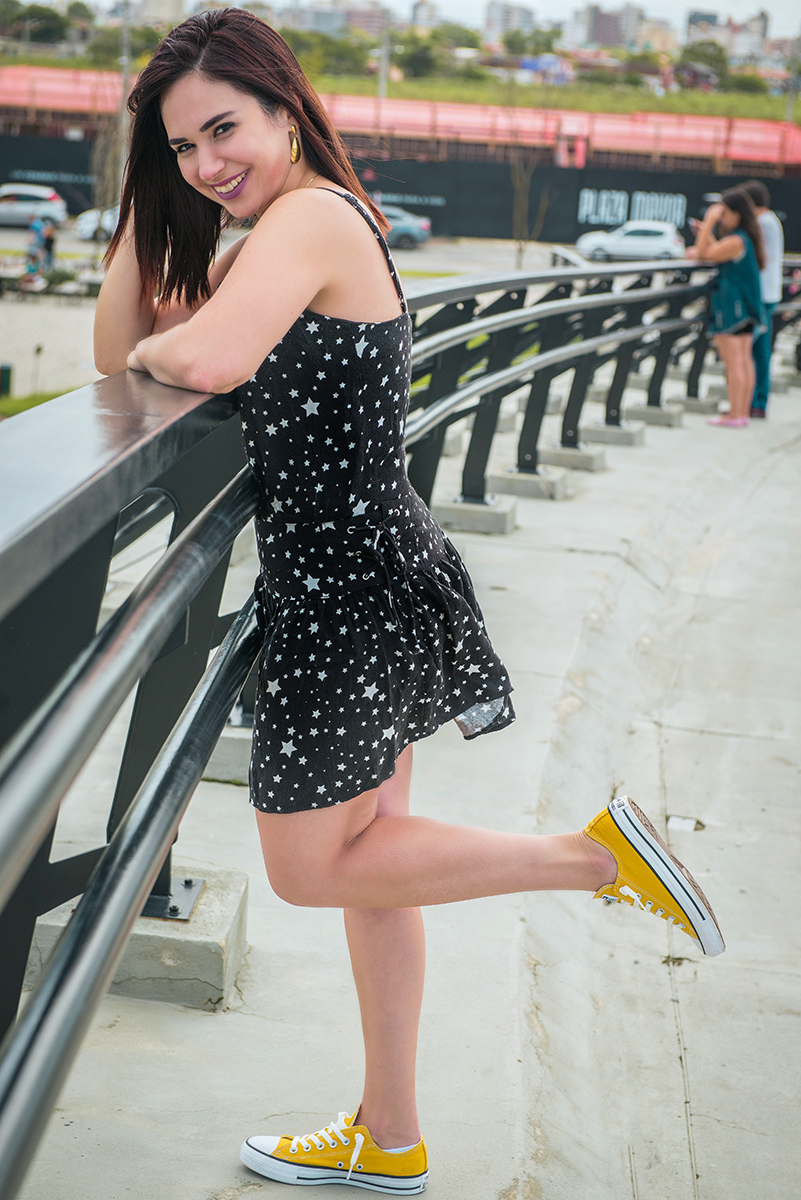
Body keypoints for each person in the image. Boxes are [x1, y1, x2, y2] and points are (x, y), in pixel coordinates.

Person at [94, 11, 725, 1193]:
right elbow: (122, 347)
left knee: (312, 867)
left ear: (286, 108)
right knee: (376, 869)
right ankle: (391, 1137)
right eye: (180, 148)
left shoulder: (312, 218)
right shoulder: (275, 232)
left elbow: (202, 361)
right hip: (369, 573)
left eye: (222, 129)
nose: (205, 164)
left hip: (349, 595)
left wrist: (166, 348)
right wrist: (143, 211)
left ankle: (592, 860)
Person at [687, 187, 765, 428]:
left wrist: (708, 224)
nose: (722, 218)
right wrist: (707, 235)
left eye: (724, 213)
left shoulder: (736, 240)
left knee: (734, 362)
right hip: (747, 307)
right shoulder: (745, 239)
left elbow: (703, 255)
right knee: (744, 360)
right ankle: (740, 411)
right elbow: (713, 253)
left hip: (733, 308)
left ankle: (735, 413)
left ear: (736, 213)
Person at [741, 180, 784, 419]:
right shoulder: (771, 221)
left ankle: (749, 402)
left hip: (762, 295)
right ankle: (757, 402)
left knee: (747, 348)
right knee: (760, 350)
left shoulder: (763, 222)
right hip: (769, 293)